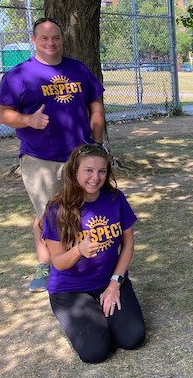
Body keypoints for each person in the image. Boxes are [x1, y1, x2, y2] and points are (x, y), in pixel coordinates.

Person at [0, 17, 105, 292]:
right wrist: (28, 121)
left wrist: (96, 144)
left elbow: (96, 105)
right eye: (44, 38)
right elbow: (2, 113)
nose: (50, 43)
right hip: (41, 158)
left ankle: (78, 259)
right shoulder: (19, 75)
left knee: (82, 209)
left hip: (79, 156)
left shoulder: (78, 69)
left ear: (62, 39)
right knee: (50, 214)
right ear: (34, 40)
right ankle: (46, 265)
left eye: (55, 38)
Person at [42, 144, 145, 363]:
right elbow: (59, 263)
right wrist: (78, 250)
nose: (95, 177)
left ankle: (106, 307)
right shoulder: (56, 209)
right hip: (71, 290)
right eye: (88, 170)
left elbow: (128, 244)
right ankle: (88, 316)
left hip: (110, 280)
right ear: (74, 172)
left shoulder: (115, 198)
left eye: (102, 171)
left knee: (132, 339)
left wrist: (115, 284)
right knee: (96, 352)